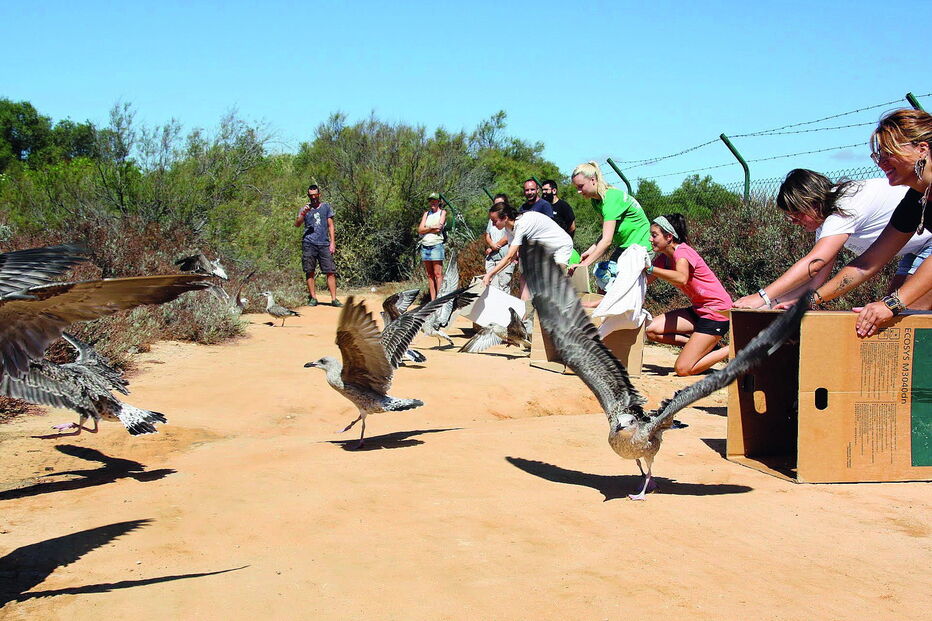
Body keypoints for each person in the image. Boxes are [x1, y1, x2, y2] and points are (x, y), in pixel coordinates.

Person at [785, 109, 932, 337]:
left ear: (921, 149)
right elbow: (867, 263)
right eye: (878, 156)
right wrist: (812, 299)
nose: (881, 162)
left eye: (888, 153)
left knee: (909, 316)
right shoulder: (915, 199)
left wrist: (893, 303)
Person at [733, 169, 932, 309]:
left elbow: (814, 263)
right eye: (790, 218)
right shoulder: (826, 223)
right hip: (913, 248)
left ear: (812, 202)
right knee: (893, 312)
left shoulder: (845, 206)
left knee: (908, 314)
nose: (795, 222)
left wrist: (762, 296)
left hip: (928, 240)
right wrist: (774, 304)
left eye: (797, 214)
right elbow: (816, 279)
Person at [644, 214, 733, 376]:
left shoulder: (683, 252)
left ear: (669, 237)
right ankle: (702, 348)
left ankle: (738, 347)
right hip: (699, 311)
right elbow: (645, 282)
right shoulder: (663, 259)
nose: (650, 239)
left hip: (717, 313)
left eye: (654, 235)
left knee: (683, 369)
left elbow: (682, 277)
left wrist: (649, 268)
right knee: (650, 330)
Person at [569, 161, 651, 273]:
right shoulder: (596, 201)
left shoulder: (610, 199)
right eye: (576, 187)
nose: (578, 191)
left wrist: (584, 265)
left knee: (620, 281)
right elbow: (606, 233)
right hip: (625, 247)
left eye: (580, 186)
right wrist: (591, 251)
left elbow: (607, 241)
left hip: (641, 247)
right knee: (605, 277)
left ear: (593, 180)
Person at [482, 203, 573, 300]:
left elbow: (509, 257)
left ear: (505, 218)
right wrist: (492, 275)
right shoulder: (509, 228)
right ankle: (525, 306)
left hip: (560, 246)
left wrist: (490, 274)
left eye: (494, 221)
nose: (493, 224)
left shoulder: (522, 224)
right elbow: (512, 257)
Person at [294, 184, 340, 307]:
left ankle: (334, 299)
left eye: (315, 195)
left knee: (330, 271)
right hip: (309, 243)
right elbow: (297, 224)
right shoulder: (304, 209)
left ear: (319, 195)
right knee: (309, 271)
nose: (313, 197)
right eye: (311, 195)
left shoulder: (326, 207)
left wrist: (332, 242)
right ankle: (313, 298)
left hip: (324, 243)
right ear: (308, 196)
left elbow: (331, 225)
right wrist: (303, 213)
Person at [484, 193, 516, 291]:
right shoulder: (493, 220)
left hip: (504, 256)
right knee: (492, 289)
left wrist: (495, 246)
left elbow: (508, 239)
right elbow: (487, 234)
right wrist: (491, 245)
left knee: (503, 287)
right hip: (492, 258)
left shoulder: (511, 224)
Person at [418, 192, 447, 300]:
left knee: (438, 274)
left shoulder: (442, 212)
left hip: (436, 245)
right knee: (430, 275)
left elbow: (439, 228)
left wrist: (426, 229)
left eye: (434, 200)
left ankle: (440, 299)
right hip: (425, 245)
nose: (432, 203)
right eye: (431, 201)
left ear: (439, 202)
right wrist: (431, 228)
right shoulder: (426, 214)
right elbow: (420, 229)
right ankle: (432, 300)